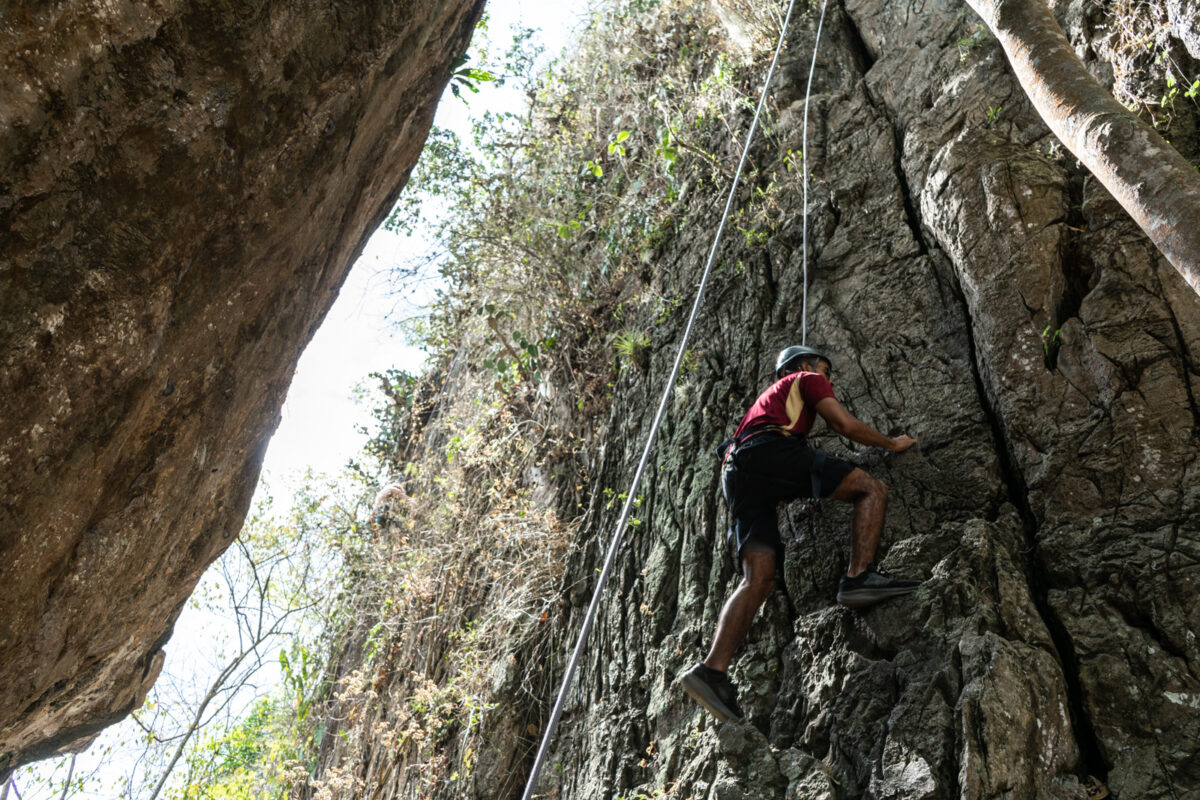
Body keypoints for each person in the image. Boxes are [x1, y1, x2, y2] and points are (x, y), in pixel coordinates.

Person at [680, 345, 921, 722]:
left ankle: (712, 670)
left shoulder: (763, 409)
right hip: (768, 451)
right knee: (871, 488)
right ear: (802, 367)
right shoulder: (805, 380)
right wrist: (893, 443)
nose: (829, 379)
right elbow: (844, 425)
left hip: (737, 472)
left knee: (757, 579)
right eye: (824, 369)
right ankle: (859, 577)